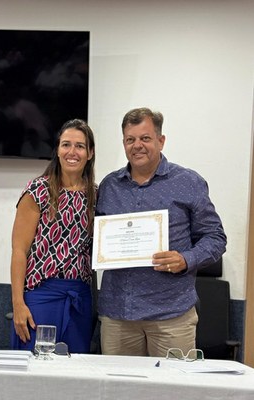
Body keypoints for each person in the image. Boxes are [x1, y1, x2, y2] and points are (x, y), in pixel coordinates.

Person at [96, 107, 227, 357]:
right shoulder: (109, 186)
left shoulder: (188, 182)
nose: (137, 146)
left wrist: (185, 259)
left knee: (173, 392)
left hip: (171, 315)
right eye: (130, 139)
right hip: (118, 316)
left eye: (145, 138)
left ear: (161, 140)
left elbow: (216, 237)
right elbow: (97, 237)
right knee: (120, 393)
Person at [10, 118, 96, 353]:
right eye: (66, 144)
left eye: (80, 146)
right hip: (41, 297)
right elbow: (19, 250)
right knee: (34, 375)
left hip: (79, 298)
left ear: (90, 153)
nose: (72, 152)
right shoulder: (37, 190)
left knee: (76, 375)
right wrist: (18, 304)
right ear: (57, 150)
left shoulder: (97, 196)